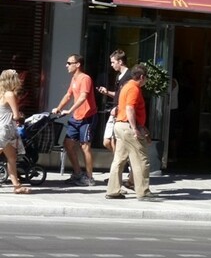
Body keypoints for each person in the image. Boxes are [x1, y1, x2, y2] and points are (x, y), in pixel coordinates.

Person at [105, 64, 156, 200]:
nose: (146, 81)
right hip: (128, 127)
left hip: (120, 126)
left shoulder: (126, 86)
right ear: (142, 77)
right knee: (141, 160)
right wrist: (135, 128)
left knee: (119, 159)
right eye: (146, 78)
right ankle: (143, 192)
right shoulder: (134, 88)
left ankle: (113, 190)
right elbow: (130, 108)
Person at [51, 54, 98, 186]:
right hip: (76, 117)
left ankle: (89, 177)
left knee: (85, 146)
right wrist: (59, 108)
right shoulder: (74, 79)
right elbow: (68, 95)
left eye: (69, 63)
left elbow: (83, 97)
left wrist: (69, 110)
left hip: (87, 117)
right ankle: (77, 173)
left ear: (77, 64)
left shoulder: (85, 78)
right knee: (68, 143)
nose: (66, 65)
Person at [96, 49, 133, 188]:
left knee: (116, 145)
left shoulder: (129, 76)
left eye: (113, 62)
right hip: (115, 112)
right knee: (107, 142)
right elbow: (119, 95)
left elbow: (127, 98)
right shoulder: (119, 76)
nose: (111, 65)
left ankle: (117, 174)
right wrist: (107, 93)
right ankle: (126, 163)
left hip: (120, 113)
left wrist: (118, 108)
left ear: (120, 61)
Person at [0, 69, 31, 194]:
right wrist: (21, 116)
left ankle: (17, 186)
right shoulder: (10, 94)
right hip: (5, 129)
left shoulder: (1, 93)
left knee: (12, 157)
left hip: (3, 128)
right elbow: (16, 116)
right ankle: (17, 186)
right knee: (11, 157)